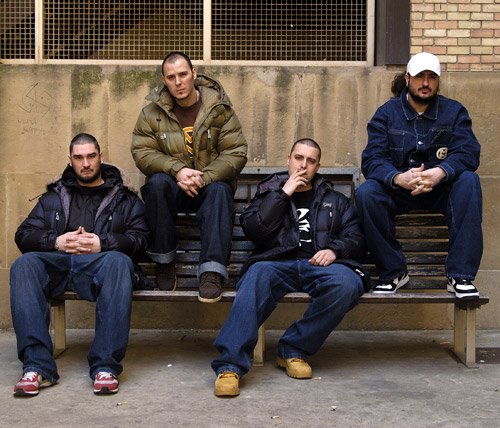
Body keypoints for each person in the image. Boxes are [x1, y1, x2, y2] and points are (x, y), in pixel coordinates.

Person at [211, 138, 369, 397]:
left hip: (318, 265)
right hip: (276, 263)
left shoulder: (335, 200)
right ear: (288, 159)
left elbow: (356, 236)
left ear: (318, 167)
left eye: (311, 161)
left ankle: (293, 349)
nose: (303, 166)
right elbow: (254, 230)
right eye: (298, 158)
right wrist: (283, 194)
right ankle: (230, 365)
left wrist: (335, 250)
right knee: (255, 276)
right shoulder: (268, 192)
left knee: (348, 283)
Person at [10, 133, 150, 397]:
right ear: (70, 160)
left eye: (91, 156)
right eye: (79, 158)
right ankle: (37, 367)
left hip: (100, 267)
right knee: (24, 265)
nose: (86, 164)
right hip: (60, 264)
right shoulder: (53, 197)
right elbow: (24, 235)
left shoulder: (125, 198)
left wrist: (102, 243)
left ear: (100, 157)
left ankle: (105, 367)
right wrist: (57, 241)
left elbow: (142, 239)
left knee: (119, 261)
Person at [355, 52, 482, 299]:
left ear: (438, 81)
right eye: (419, 76)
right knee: (367, 193)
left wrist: (441, 172)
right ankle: (393, 273)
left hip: (441, 189)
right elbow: (372, 159)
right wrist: (397, 177)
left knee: (469, 181)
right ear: (407, 78)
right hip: (399, 190)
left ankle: (460, 276)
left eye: (432, 77)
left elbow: (468, 152)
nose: (425, 83)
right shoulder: (386, 114)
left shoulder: (454, 112)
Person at [131, 51, 247, 303]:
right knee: (156, 185)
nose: (178, 82)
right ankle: (164, 260)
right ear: (164, 80)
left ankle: (211, 272)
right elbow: (142, 152)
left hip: (208, 187)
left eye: (183, 74)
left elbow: (235, 152)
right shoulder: (151, 113)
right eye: (171, 77)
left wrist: (203, 177)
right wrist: (178, 170)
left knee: (220, 190)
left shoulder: (219, 109)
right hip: (174, 187)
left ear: (193, 73)